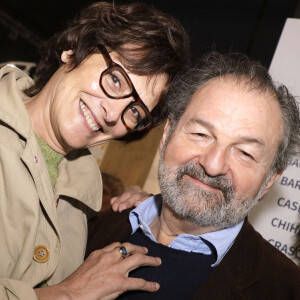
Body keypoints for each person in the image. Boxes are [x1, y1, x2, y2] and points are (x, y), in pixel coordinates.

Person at [0, 1, 189, 299]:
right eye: (116, 79)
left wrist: (140, 217)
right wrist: (68, 294)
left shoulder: (85, 198)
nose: (114, 114)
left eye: (135, 111)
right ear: (73, 49)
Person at [86, 51, 300, 299]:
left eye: (244, 152)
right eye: (200, 134)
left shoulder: (285, 290)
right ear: (167, 135)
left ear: (270, 180)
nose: (213, 165)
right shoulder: (91, 226)